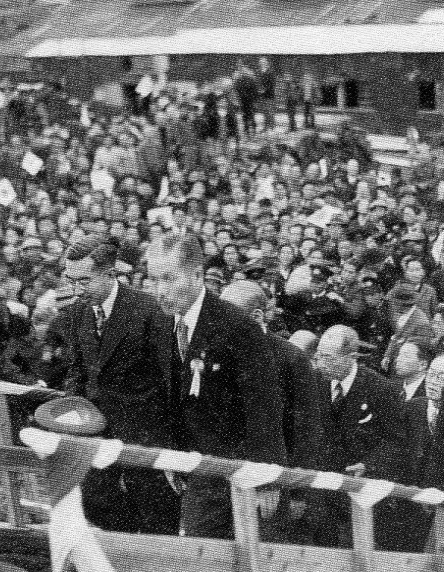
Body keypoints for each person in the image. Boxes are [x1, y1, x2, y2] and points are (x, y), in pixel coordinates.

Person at [147, 232, 286, 540]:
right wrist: (173, 453)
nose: (160, 291)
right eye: (154, 280)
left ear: (197, 274)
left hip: (242, 472)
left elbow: (264, 407)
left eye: (169, 279)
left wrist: (267, 478)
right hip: (197, 471)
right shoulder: (162, 324)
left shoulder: (237, 326)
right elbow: (172, 396)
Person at [62, 235, 180, 535]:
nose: (76, 290)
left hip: (146, 435)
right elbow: (77, 373)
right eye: (70, 280)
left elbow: (171, 380)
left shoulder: (149, 310)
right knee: (96, 506)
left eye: (84, 281)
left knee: (157, 516)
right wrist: (71, 418)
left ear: (110, 273)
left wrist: (171, 442)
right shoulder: (77, 313)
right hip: (95, 433)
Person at [220, 279, 324, 544]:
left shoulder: (291, 359)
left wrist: (295, 489)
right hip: (220, 481)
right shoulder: (217, 355)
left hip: (270, 484)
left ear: (256, 316)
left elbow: (305, 432)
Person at [314, 325, 406, 548]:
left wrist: (369, 464)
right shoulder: (315, 382)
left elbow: (395, 442)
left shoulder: (381, 389)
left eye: (329, 358)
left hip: (359, 494)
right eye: (318, 356)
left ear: (351, 357)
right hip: (320, 493)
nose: (321, 364)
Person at [382, 282, 434, 374]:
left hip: (409, 369)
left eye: (394, 303)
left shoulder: (422, 322)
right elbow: (395, 337)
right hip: (395, 365)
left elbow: (423, 351)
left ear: (402, 304)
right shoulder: (400, 314)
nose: (393, 305)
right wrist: (387, 356)